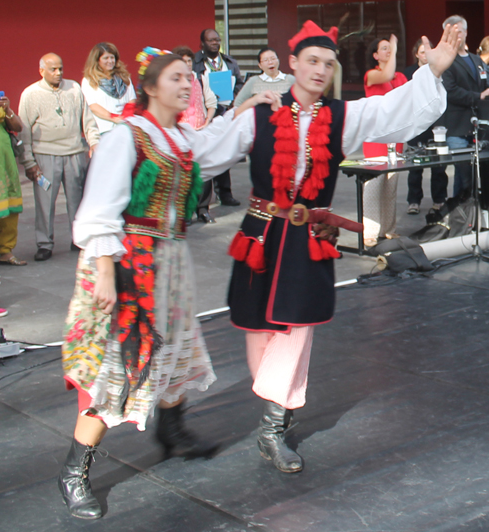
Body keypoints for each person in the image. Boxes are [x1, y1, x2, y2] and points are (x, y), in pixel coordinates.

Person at [223, 20, 459, 474]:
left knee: (297, 327)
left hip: (306, 237)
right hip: (259, 233)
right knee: (260, 330)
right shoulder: (262, 110)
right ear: (292, 64)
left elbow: (392, 110)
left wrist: (432, 73)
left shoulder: (340, 117)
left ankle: (273, 428)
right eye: (311, 61)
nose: (319, 70)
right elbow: (211, 147)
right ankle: (280, 408)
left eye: (328, 64)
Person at [58, 47, 275, 520]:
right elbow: (98, 210)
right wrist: (106, 272)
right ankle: (75, 472)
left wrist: (244, 111)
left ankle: (171, 432)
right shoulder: (127, 136)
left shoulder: (178, 138)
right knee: (119, 361)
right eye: (175, 77)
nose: (185, 84)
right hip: (127, 263)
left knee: (174, 346)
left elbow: (216, 146)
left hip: (170, 264)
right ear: (152, 87)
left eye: (187, 78)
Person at [18, 53, 100, 262]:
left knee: (77, 200)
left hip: (73, 153)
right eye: (53, 69)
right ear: (41, 71)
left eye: (60, 68)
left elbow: (87, 119)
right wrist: (29, 162)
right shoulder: (30, 94)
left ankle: (79, 239)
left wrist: (94, 142)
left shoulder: (73, 88)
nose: (58, 73)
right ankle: (44, 243)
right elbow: (24, 131)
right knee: (45, 203)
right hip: (45, 156)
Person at [362, 36, 408, 247]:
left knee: (390, 186)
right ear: (375, 55)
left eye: (390, 48)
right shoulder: (372, 75)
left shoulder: (399, 77)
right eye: (384, 49)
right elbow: (386, 73)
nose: (389, 51)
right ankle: (370, 231)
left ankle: (388, 229)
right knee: (374, 185)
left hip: (395, 138)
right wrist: (396, 48)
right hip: (376, 138)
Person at [193, 28, 244, 207]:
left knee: (223, 152)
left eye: (217, 40)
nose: (215, 43)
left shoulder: (229, 62)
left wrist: (233, 95)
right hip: (204, 112)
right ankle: (199, 201)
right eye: (211, 40)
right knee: (204, 154)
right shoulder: (195, 63)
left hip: (224, 110)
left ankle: (225, 193)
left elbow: (239, 82)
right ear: (202, 44)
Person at [442, 15, 489, 197]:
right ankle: (462, 218)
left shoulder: (477, 61)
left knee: (483, 175)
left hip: (480, 127)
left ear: (466, 32)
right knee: (464, 177)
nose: (456, 36)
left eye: (459, 31)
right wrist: (479, 96)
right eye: (451, 32)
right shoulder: (445, 62)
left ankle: (480, 217)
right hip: (457, 127)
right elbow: (450, 92)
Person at [173, 45, 217, 224]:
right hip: (182, 133)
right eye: (183, 61)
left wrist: (208, 120)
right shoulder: (174, 83)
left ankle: (203, 209)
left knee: (205, 173)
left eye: (189, 61)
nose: (188, 64)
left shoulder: (200, 78)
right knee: (184, 174)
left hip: (200, 131)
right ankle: (185, 212)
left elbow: (211, 101)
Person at [404, 39, 448, 214]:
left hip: (436, 123)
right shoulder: (409, 72)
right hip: (416, 122)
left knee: (439, 165)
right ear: (416, 54)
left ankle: (439, 200)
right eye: (422, 52)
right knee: (415, 166)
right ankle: (413, 201)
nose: (425, 55)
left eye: (427, 52)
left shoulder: (436, 71)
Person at [0, 94, 27, 266]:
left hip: (4, 169)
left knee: (9, 213)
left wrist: (8, 110)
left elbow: (18, 127)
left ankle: (6, 251)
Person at [81, 42, 136, 134]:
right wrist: (114, 117)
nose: (110, 61)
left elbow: (132, 99)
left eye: (112, 57)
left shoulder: (124, 77)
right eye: (105, 58)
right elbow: (93, 106)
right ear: (97, 60)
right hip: (104, 129)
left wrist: (125, 117)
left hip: (126, 128)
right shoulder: (89, 80)